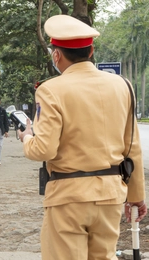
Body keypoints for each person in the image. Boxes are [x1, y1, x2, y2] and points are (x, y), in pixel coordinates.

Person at [17, 15, 147, 260]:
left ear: (56, 56)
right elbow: (133, 147)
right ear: (91, 51)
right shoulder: (123, 86)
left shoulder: (50, 90)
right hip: (110, 196)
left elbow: (43, 150)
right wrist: (136, 196)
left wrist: (27, 137)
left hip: (68, 197)